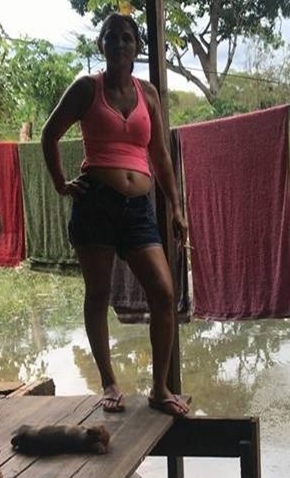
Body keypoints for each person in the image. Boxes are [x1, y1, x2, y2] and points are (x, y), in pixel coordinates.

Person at [41, 12, 189, 416]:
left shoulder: (150, 95)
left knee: (163, 292)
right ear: (100, 45)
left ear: (138, 47)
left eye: (127, 38)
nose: (120, 44)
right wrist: (59, 184)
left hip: (139, 208)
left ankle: (159, 389)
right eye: (112, 37)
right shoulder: (86, 90)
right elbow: (49, 134)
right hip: (97, 205)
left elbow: (159, 156)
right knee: (98, 294)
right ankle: (109, 381)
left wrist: (175, 206)